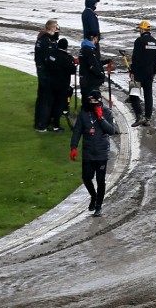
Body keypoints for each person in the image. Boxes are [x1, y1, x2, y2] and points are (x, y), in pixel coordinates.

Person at [70, 89, 116, 217]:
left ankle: (98, 206)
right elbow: (77, 130)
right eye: (91, 101)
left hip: (101, 152)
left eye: (95, 101)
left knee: (100, 180)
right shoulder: (84, 113)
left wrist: (101, 118)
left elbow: (112, 130)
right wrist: (73, 147)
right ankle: (93, 196)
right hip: (88, 152)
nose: (93, 103)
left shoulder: (107, 112)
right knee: (86, 178)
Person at [130, 20, 156, 127]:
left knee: (134, 95)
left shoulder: (139, 41)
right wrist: (154, 72)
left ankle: (139, 116)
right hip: (149, 74)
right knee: (148, 95)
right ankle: (148, 118)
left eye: (140, 29)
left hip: (139, 73)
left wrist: (132, 71)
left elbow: (136, 58)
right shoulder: (155, 42)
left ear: (142, 29)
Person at [46, 37, 77, 132]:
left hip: (50, 83)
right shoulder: (66, 58)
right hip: (61, 86)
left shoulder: (52, 54)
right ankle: (56, 126)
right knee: (58, 105)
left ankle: (48, 122)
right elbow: (73, 70)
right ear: (66, 47)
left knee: (51, 103)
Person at [33, 19, 59, 132]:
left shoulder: (41, 38)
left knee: (41, 98)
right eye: (56, 27)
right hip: (46, 74)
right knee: (46, 100)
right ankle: (42, 125)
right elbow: (50, 58)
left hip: (41, 71)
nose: (57, 28)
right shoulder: (46, 41)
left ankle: (39, 123)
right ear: (51, 28)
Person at [79, 34, 105, 102]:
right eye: (96, 38)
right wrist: (101, 75)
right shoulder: (89, 50)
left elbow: (93, 62)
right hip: (91, 81)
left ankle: (85, 111)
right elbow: (93, 65)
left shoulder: (84, 48)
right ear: (94, 38)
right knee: (93, 103)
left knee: (86, 102)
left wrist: (105, 62)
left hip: (85, 80)